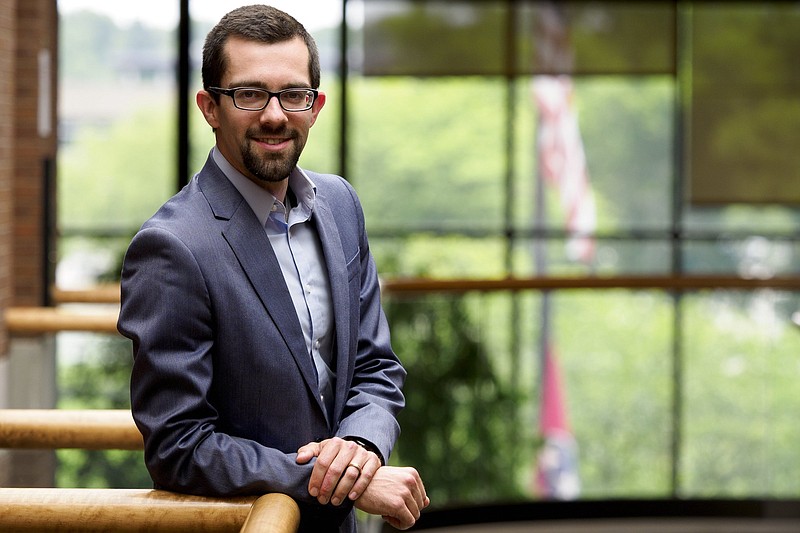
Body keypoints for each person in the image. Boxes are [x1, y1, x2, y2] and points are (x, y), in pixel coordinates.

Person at [116, 5, 428, 532]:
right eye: (249, 94)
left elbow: (376, 366)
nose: (275, 115)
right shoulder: (171, 248)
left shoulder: (340, 205)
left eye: (293, 94)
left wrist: (359, 445)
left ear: (316, 104)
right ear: (210, 107)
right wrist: (332, 480)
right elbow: (178, 446)